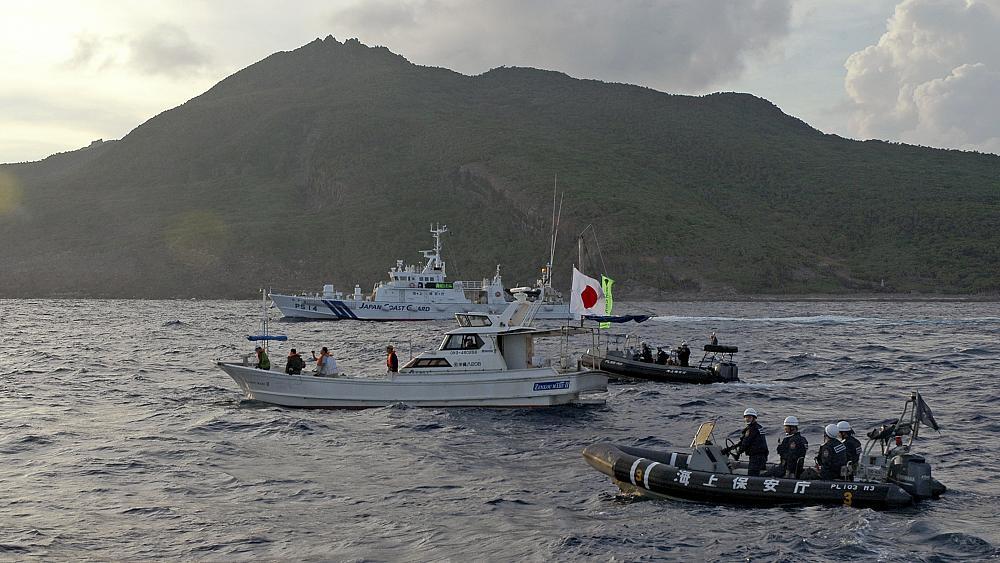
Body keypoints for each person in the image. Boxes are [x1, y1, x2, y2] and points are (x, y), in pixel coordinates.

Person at [722, 407, 769, 476]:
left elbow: (745, 443)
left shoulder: (751, 429)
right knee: (760, 474)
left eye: (749, 417)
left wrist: (738, 452)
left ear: (754, 418)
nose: (747, 419)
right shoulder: (759, 427)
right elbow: (744, 441)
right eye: (746, 417)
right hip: (763, 456)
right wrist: (731, 448)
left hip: (756, 457)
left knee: (752, 476)